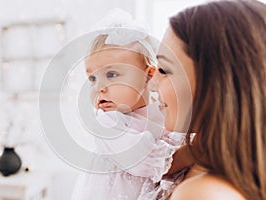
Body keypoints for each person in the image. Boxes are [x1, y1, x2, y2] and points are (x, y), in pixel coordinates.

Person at [151, 0, 266, 199]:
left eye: (164, 69)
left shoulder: (202, 193)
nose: (151, 83)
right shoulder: (199, 159)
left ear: (216, 85)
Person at [71, 9, 189, 200]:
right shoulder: (107, 122)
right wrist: (195, 152)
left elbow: (178, 136)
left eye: (111, 75)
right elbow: (147, 162)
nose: (99, 87)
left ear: (148, 76)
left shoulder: (164, 110)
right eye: (92, 78)